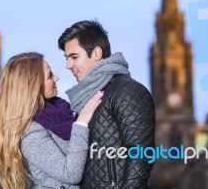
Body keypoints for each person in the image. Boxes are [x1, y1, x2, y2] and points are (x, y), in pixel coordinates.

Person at [0, 52, 103, 189]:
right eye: (49, 76)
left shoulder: (60, 114)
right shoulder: (30, 133)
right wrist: (81, 124)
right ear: (32, 86)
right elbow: (70, 174)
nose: (56, 77)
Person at [58, 20, 155, 188]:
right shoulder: (86, 98)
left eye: (74, 57)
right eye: (67, 58)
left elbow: (140, 154)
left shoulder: (127, 91)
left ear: (96, 53)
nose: (68, 65)